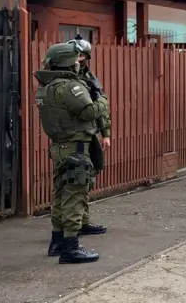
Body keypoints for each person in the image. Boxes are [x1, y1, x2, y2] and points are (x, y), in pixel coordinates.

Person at [35, 42, 108, 264]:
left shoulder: (46, 86)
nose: (79, 63)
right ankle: (71, 248)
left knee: (59, 194)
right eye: (76, 60)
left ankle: (57, 242)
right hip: (76, 148)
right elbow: (88, 111)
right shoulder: (69, 87)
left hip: (59, 146)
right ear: (67, 61)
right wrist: (102, 99)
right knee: (75, 195)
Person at [69, 36, 110, 237]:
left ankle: (81, 221)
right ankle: (71, 228)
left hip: (89, 133)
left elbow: (100, 106)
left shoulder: (89, 77)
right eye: (77, 55)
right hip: (76, 136)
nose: (79, 59)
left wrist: (105, 133)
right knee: (77, 182)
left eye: (82, 55)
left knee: (88, 176)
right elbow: (94, 107)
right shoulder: (69, 80)